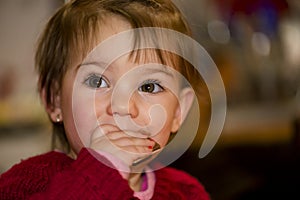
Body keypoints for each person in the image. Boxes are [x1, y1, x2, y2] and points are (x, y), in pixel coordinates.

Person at [0, 0, 210, 199]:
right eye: (98, 81)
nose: (123, 107)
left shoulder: (186, 193)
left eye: (149, 87)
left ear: (177, 112)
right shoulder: (27, 184)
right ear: (54, 99)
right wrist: (99, 172)